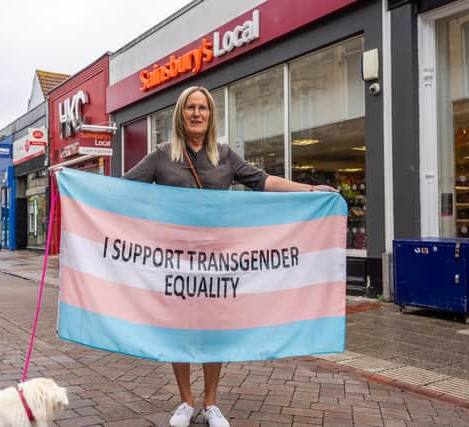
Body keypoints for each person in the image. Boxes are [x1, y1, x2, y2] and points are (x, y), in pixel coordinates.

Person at [124, 86, 337, 427]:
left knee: (213, 332)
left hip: (217, 260)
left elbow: (263, 181)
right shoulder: (162, 155)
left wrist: (309, 190)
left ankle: (210, 404)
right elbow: (123, 190)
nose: (196, 113)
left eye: (202, 108)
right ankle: (185, 402)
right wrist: (77, 188)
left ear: (210, 116)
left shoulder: (224, 156)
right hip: (175, 260)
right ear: (181, 114)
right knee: (180, 330)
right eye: (190, 108)